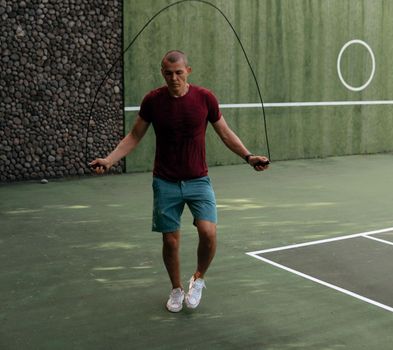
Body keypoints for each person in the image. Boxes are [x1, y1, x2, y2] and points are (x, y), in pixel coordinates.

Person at [90, 50, 269, 312]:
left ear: (188, 71)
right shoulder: (153, 101)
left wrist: (248, 156)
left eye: (178, 73)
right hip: (166, 181)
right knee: (170, 241)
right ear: (162, 72)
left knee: (208, 233)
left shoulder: (205, 98)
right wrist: (109, 159)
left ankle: (198, 278)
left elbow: (225, 132)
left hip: (198, 179)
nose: (173, 78)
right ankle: (176, 289)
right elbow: (134, 136)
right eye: (168, 73)